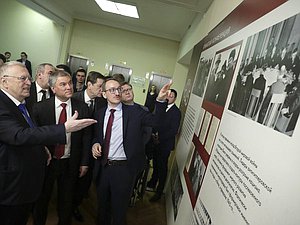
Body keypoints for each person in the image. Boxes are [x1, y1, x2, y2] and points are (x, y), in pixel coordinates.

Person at [0, 62, 96, 225]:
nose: (29, 83)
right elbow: (18, 135)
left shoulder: (19, 105)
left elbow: (30, 133)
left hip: (58, 166)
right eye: (22, 78)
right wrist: (64, 128)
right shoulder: (8, 105)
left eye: (29, 79)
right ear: (4, 81)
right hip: (11, 185)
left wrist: (40, 147)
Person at [92, 78, 172, 225]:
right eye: (112, 90)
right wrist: (95, 143)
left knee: (119, 210)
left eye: (119, 89)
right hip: (103, 167)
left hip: (124, 169)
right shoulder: (100, 113)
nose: (117, 92)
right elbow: (97, 135)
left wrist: (160, 100)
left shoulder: (135, 112)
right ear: (104, 94)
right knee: (102, 207)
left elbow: (156, 122)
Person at [32, 70, 92, 225]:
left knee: (66, 200)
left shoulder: (83, 108)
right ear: (53, 88)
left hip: (70, 162)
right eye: (63, 84)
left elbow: (86, 137)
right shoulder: (40, 108)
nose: (68, 87)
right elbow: (35, 137)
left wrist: (84, 162)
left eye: (70, 83)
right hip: (47, 162)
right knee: (42, 199)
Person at [71, 71, 106, 222]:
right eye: (99, 86)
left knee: (85, 182)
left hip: (92, 149)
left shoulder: (102, 103)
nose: (102, 90)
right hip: (73, 148)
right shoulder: (73, 98)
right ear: (89, 84)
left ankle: (75, 206)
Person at [147, 89, 181, 202]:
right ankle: (152, 182)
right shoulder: (161, 107)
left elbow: (173, 130)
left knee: (162, 168)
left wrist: (159, 138)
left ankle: (159, 191)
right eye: (168, 95)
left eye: (171, 96)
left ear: (175, 98)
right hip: (155, 142)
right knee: (155, 164)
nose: (168, 97)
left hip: (165, 144)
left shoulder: (176, 112)